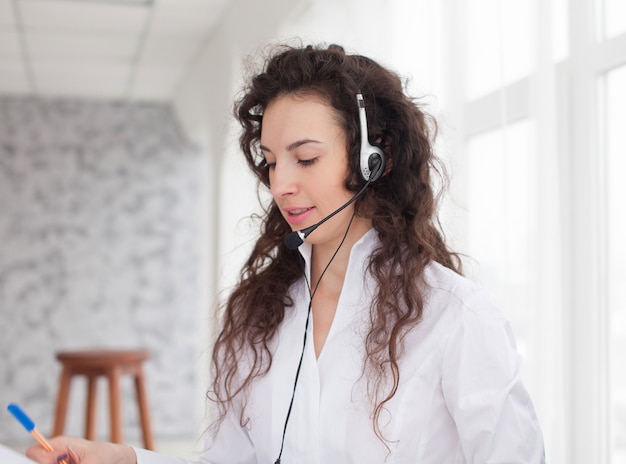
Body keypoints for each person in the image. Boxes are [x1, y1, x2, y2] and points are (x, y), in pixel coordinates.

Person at [27, 43, 545, 464]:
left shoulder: (456, 318)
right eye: (272, 162)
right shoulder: (258, 313)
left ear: (373, 161)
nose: (283, 184)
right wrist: (125, 460)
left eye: (306, 157)